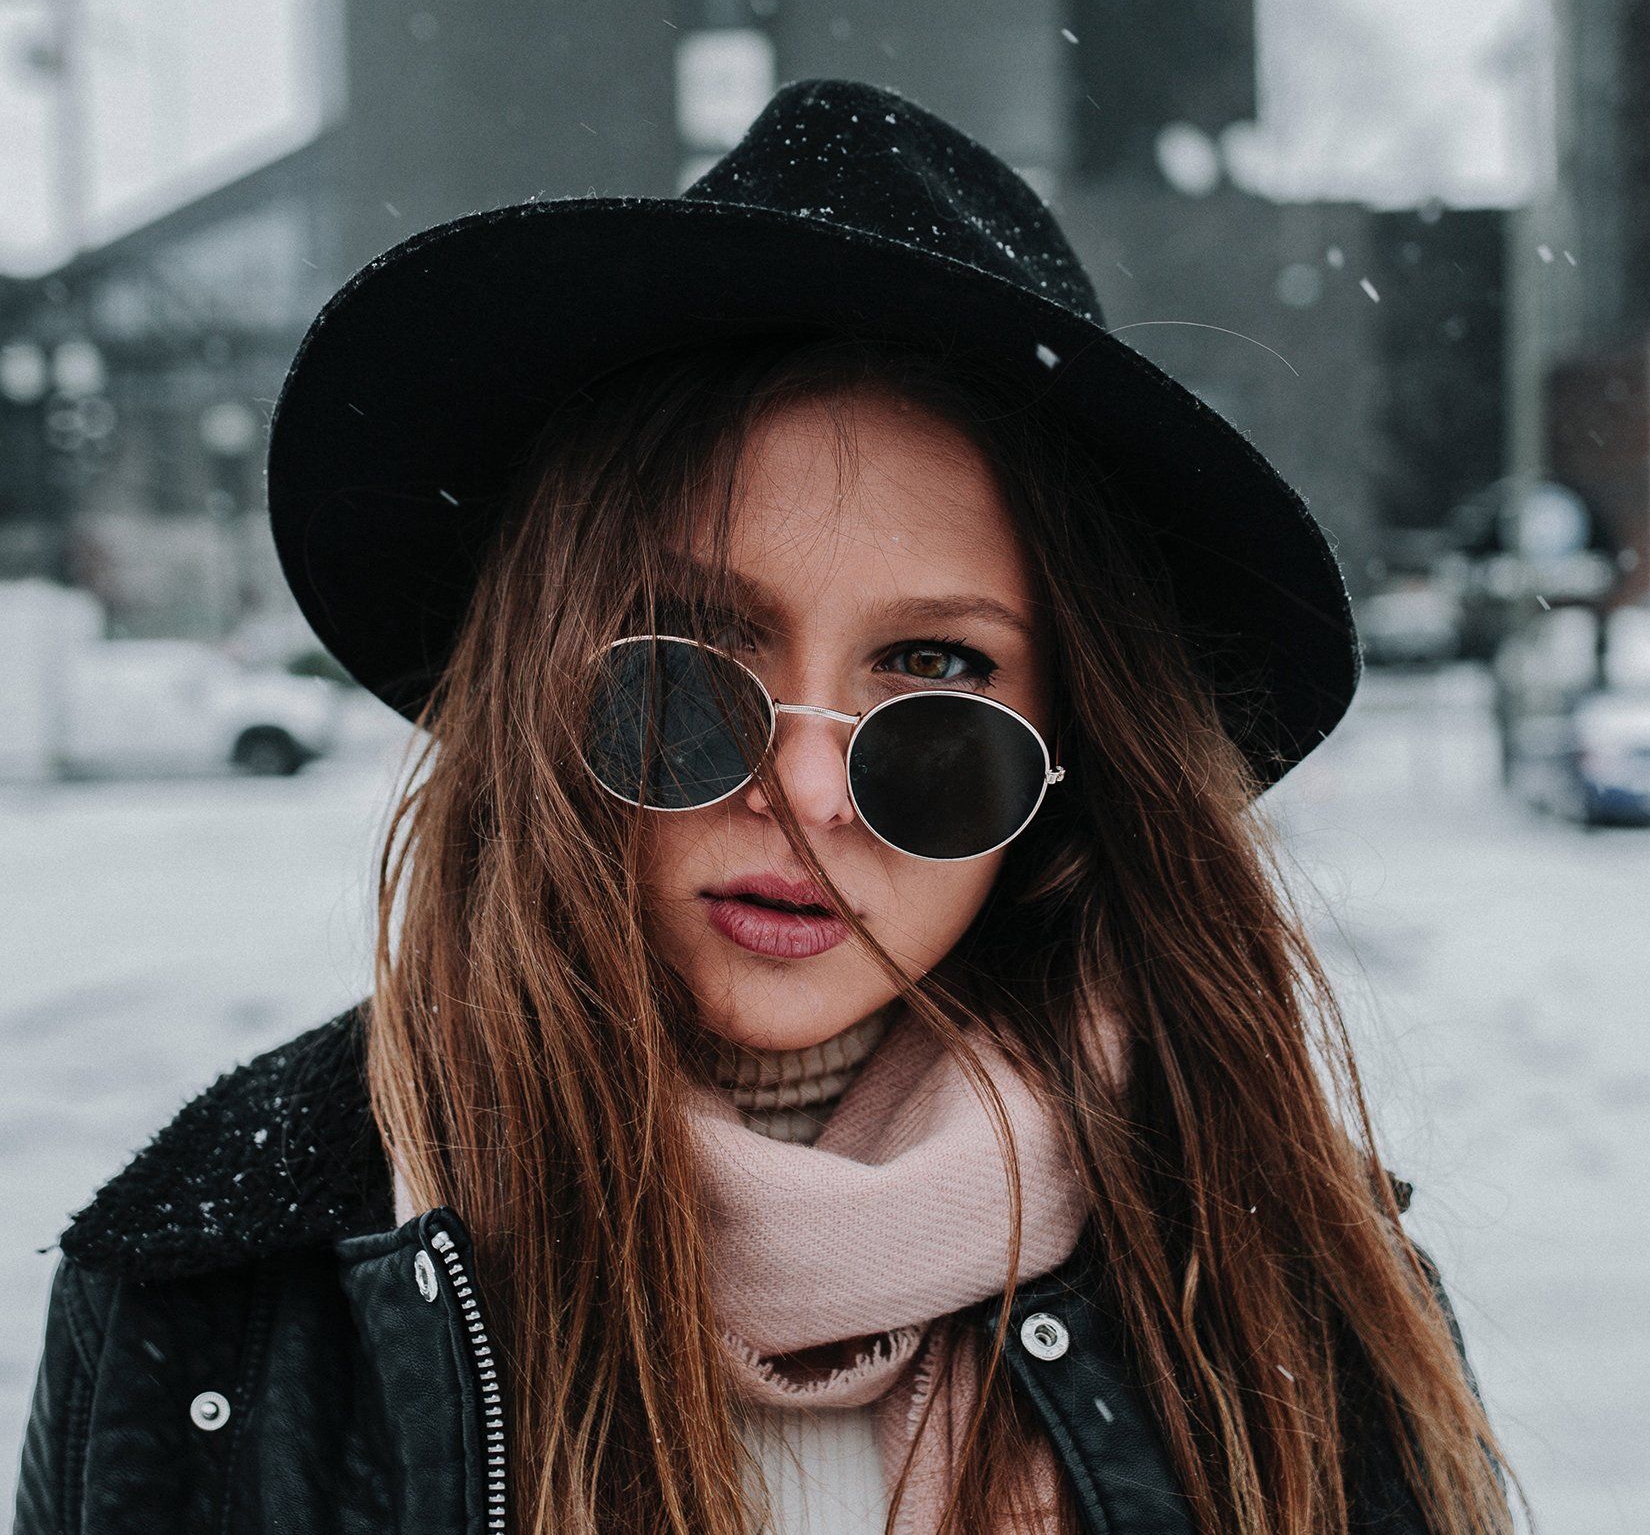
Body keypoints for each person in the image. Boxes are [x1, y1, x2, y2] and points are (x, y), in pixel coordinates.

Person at [11, 78, 1523, 1535]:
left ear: (1071, 755)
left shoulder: (1280, 1279)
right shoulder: (216, 1283)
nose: (804, 790)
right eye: (687, 663)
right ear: (546, 683)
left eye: (933, 675)